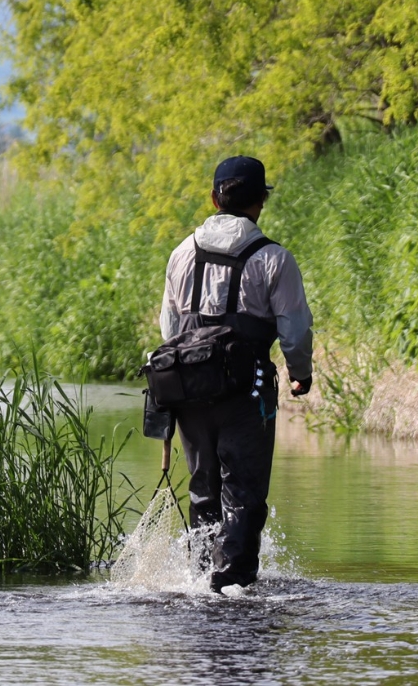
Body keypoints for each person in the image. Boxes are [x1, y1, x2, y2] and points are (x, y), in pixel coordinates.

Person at [159, 155, 314, 593]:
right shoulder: (274, 259)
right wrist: (300, 372)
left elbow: (170, 329)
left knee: (202, 487)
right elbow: (295, 330)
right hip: (247, 391)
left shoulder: (181, 253)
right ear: (260, 203)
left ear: (214, 198)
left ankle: (198, 579)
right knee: (242, 493)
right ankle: (233, 586)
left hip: (187, 388)